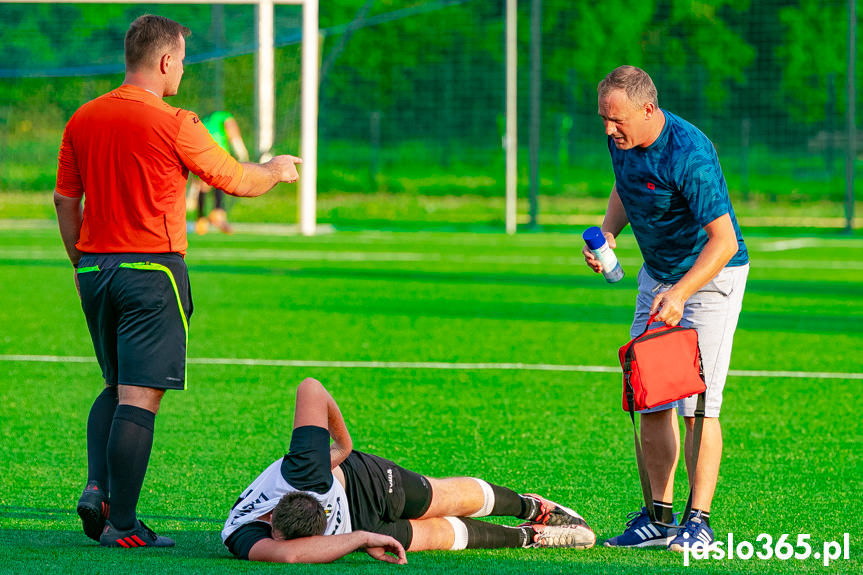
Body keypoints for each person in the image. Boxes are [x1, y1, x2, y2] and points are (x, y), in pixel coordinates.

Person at [54, 14, 303, 548]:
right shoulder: (176, 121)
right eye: (183, 62)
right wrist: (276, 168)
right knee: (139, 398)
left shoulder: (82, 118)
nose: (183, 72)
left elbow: (64, 199)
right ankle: (122, 524)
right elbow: (235, 180)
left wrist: (80, 263)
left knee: (115, 385)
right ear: (166, 61)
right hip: (151, 273)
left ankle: (97, 486)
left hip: (96, 270)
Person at [585, 66, 749, 551]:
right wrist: (610, 232)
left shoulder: (689, 153)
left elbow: (724, 241)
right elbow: (624, 186)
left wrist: (681, 294)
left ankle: (700, 522)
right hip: (657, 277)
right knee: (649, 396)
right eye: (603, 120)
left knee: (698, 404)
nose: (610, 130)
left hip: (710, 278)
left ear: (649, 110)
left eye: (617, 120)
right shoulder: (622, 139)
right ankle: (658, 519)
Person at [222, 377, 596, 564]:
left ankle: (529, 507)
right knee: (434, 535)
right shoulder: (243, 534)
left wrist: (343, 445)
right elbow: (289, 555)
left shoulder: (303, 470)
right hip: (356, 528)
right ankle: (529, 537)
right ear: (272, 527)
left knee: (439, 498)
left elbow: (311, 388)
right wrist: (360, 537)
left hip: (360, 481)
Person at [188, 110, 250, 234]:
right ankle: (218, 213)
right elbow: (232, 131)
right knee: (221, 180)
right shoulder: (225, 116)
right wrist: (242, 152)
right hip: (216, 151)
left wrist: (191, 195)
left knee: (203, 185)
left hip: (197, 153)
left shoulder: (203, 121)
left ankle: (201, 220)